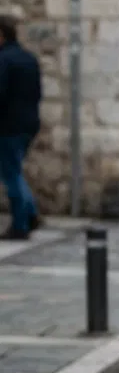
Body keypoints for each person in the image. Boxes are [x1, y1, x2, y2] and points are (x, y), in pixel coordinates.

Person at [0, 16, 42, 240]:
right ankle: (31, 213)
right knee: (15, 170)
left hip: (8, 126)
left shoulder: (4, 60)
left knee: (11, 174)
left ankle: (20, 224)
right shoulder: (29, 58)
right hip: (29, 123)